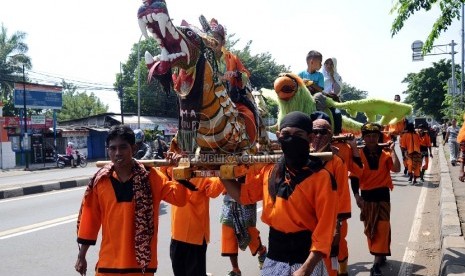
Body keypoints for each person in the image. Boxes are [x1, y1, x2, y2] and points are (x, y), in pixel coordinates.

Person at [222, 111, 338, 276]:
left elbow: (325, 230)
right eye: (286, 134)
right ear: (278, 136)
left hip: (306, 261)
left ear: (310, 138)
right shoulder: (269, 170)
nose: (292, 139)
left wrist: (307, 268)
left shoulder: (321, 177)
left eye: (298, 134)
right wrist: (221, 174)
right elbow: (244, 195)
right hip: (273, 259)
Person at [75, 125, 188, 275]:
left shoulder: (151, 177)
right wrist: (81, 256)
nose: (117, 153)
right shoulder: (100, 181)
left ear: (133, 149)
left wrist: (178, 169)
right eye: (112, 148)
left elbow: (180, 199)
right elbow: (90, 220)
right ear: (108, 150)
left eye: (123, 147)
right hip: (108, 265)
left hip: (141, 267)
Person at [310, 112, 363, 276]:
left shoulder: (341, 153)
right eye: (315, 132)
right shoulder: (303, 153)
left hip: (335, 212)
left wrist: (354, 148)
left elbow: (357, 172)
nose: (319, 136)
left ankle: (342, 271)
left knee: (337, 246)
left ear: (331, 133)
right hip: (310, 212)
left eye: (323, 132)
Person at [351, 123, 400, 276]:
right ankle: (381, 254)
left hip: (383, 195)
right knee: (371, 230)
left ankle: (376, 264)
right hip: (366, 197)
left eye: (374, 136)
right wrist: (357, 196)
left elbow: (397, 169)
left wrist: (393, 151)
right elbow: (354, 177)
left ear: (379, 137)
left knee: (383, 227)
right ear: (364, 138)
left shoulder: (386, 153)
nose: (372, 139)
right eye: (368, 136)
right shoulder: (358, 154)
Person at [208, 18, 257, 144]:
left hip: (231, 100)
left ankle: (251, 147)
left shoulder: (232, 58)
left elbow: (245, 73)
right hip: (208, 99)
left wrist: (236, 74)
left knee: (249, 116)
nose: (213, 41)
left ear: (223, 41)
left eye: (216, 38)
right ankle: (184, 151)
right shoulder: (203, 59)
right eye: (210, 38)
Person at [220, 190, 267, 276]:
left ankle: (262, 251)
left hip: (246, 199)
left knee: (250, 233)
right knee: (228, 233)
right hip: (229, 201)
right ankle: (235, 269)